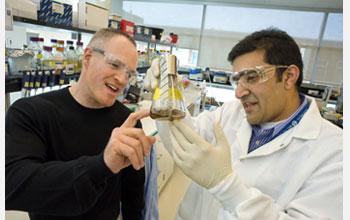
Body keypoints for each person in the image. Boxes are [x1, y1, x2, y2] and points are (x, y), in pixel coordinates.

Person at [144, 28, 343, 219]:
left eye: (252, 77)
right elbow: (181, 140)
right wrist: (165, 95)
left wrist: (226, 186)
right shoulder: (230, 113)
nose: (239, 93)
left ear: (289, 76)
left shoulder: (335, 152)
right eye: (237, 81)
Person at [6, 28, 156, 220]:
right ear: (88, 57)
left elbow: (133, 198)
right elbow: (12, 185)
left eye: (129, 73)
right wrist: (103, 165)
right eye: (114, 64)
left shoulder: (126, 121)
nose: (121, 79)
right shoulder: (31, 112)